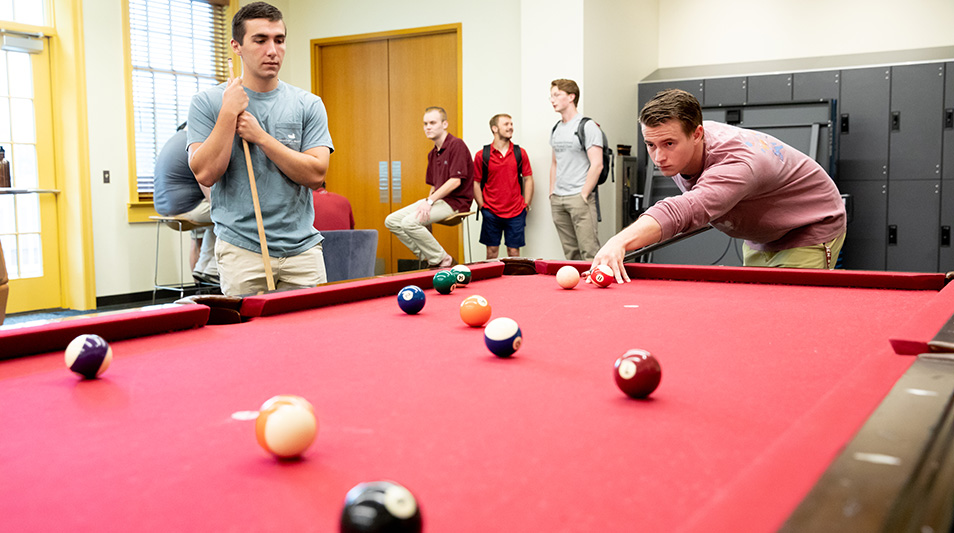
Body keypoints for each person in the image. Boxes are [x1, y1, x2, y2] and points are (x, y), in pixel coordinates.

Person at [590, 88, 847, 283]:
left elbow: (686, 209)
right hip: (763, 235)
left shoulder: (737, 164)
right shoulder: (684, 140)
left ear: (697, 134)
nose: (658, 157)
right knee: (759, 310)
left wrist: (619, 241)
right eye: (651, 145)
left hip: (807, 227)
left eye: (669, 144)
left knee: (789, 316)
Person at [187, 2, 333, 296]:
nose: (272, 50)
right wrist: (228, 114)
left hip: (303, 250)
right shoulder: (208, 103)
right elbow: (205, 173)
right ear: (236, 46)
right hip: (242, 250)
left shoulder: (308, 104)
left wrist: (262, 138)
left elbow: (316, 174)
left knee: (313, 338)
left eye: (279, 40)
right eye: (260, 39)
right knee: (249, 340)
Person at [384, 106, 474, 269]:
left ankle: (442, 259)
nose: (428, 127)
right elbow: (433, 185)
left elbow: (455, 181)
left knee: (409, 223)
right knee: (392, 221)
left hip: (456, 203)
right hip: (438, 201)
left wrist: (430, 202)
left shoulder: (456, 145)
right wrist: (427, 207)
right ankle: (431, 256)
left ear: (445, 124)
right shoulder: (432, 154)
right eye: (425, 124)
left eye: (432, 123)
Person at [153, 122, 218, 285]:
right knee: (231, 211)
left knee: (210, 225)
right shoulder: (194, 142)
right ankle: (212, 269)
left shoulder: (175, 139)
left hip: (168, 209)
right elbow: (204, 178)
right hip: (187, 209)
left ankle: (202, 274)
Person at [549, 78, 603, 261]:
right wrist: (552, 193)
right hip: (558, 199)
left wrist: (584, 194)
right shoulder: (556, 128)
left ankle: (594, 288)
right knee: (571, 254)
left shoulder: (587, 126)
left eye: (557, 95)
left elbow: (597, 164)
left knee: (590, 252)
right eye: (551, 96)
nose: (552, 100)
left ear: (571, 97)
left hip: (579, 197)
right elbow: (555, 162)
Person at [473, 114, 533, 259]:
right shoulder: (482, 155)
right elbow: (475, 182)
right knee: (491, 252)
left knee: (514, 254)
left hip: (516, 212)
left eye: (511, 124)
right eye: (506, 124)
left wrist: (526, 204)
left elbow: (528, 179)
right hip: (491, 212)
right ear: (495, 128)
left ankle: (513, 282)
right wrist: (482, 206)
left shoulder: (520, 153)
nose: (510, 127)